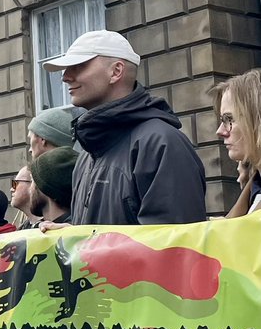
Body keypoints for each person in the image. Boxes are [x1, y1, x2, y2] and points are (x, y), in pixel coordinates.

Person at [44, 30, 206, 224]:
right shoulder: (87, 154)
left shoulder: (161, 144)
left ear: (116, 71)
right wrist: (68, 236)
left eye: (78, 66)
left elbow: (172, 247)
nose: (65, 77)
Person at [210, 69, 261, 216]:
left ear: (257, 119)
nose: (220, 131)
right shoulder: (253, 188)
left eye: (229, 119)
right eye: (222, 120)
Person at [28, 146, 77, 226]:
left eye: (33, 181)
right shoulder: (80, 229)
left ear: (45, 187)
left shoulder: (70, 233)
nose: (29, 189)